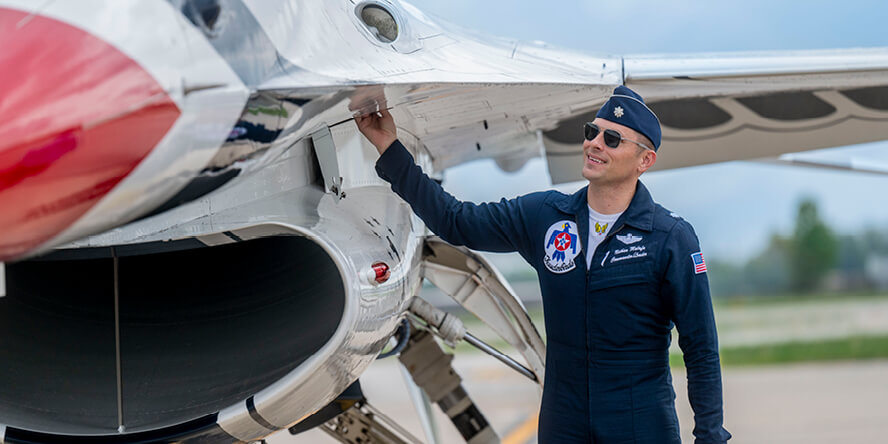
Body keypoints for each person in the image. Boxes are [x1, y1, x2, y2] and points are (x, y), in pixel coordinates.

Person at [357, 86, 731, 444]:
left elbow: (701, 349)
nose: (594, 144)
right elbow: (457, 221)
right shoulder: (546, 217)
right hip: (563, 424)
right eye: (592, 132)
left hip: (639, 424)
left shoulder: (670, 238)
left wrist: (711, 437)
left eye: (612, 139)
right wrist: (390, 148)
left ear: (644, 161)